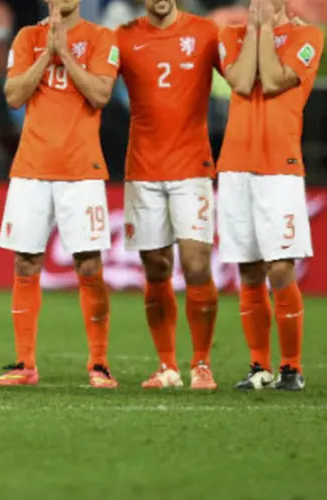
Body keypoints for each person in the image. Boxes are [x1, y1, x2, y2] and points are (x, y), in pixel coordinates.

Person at [0, 0, 120, 388]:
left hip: (81, 169)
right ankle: (24, 365)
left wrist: (65, 53)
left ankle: (99, 364)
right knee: (25, 263)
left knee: (88, 264)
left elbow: (100, 94)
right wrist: (47, 54)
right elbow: (13, 95)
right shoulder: (28, 37)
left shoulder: (101, 37)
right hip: (31, 167)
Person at [218, 0, 323, 391]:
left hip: (280, 166)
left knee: (280, 267)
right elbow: (243, 82)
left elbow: (276, 80)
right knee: (248, 269)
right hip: (234, 164)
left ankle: (291, 367)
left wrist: (262, 31)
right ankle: (258, 365)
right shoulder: (229, 34)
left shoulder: (308, 36)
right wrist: (257, 31)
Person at [116, 0, 220, 390]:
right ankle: (167, 366)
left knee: (195, 264)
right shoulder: (124, 37)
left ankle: (202, 364)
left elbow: (242, 80)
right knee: (156, 267)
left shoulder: (207, 33)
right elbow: (96, 84)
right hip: (142, 169)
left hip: (192, 167)